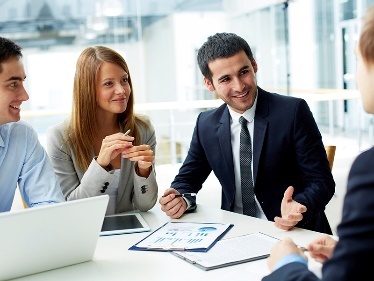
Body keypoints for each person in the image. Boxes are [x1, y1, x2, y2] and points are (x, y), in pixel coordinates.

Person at [159, 32, 335, 234]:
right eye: (225, 79)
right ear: (209, 84)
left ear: (254, 65)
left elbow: (321, 182)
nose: (239, 86)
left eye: (244, 72)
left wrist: (300, 205)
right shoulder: (205, 124)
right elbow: (187, 180)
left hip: (291, 230)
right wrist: (180, 198)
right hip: (235, 231)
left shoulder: (293, 112)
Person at [262, 6, 374, 281]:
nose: (355, 76)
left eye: (356, 59)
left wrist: (287, 263)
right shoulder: (206, 123)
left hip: (288, 241)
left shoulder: (369, 169)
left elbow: (321, 181)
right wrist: (352, 254)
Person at [46, 46, 158, 215]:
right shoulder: (60, 137)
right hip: (85, 234)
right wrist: (100, 165)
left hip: (129, 233)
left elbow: (146, 205)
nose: (121, 90)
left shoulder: (143, 129)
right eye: (108, 83)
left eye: (124, 80)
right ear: (87, 89)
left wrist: (144, 170)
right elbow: (70, 209)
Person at [0, 37, 65, 212]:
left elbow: (50, 205)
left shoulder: (22, 135)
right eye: (13, 84)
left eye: (22, 82)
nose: (25, 96)